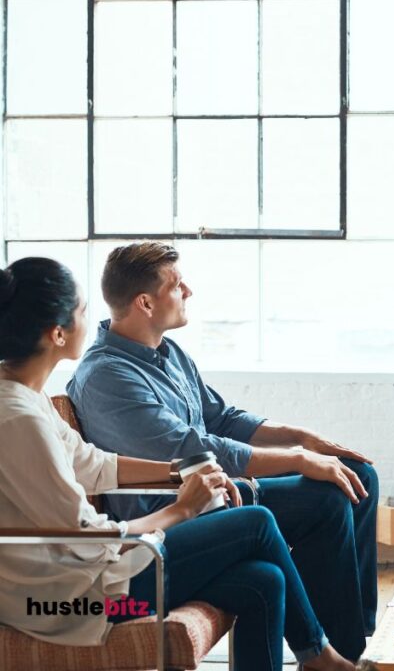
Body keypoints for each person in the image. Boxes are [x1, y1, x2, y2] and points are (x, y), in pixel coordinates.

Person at [0, 257, 356, 671]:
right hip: (68, 602)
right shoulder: (18, 419)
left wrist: (179, 471)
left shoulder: (26, 397)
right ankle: (322, 659)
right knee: (256, 523)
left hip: (89, 578)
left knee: (264, 580)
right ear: (57, 333)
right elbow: (86, 535)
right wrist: (182, 508)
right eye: (81, 311)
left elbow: (92, 463)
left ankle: (319, 655)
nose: (90, 319)